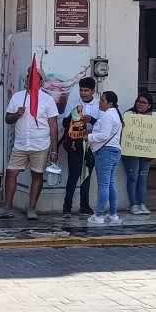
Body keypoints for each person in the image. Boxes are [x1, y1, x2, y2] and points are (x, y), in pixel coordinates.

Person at [0, 65, 59, 220]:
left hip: (41, 144)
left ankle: (31, 208)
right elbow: (8, 119)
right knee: (10, 173)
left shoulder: (48, 99)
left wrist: (54, 150)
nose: (30, 78)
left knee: (37, 175)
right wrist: (17, 114)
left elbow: (53, 126)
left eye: (34, 76)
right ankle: (7, 209)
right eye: (29, 75)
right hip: (21, 144)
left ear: (41, 81)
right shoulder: (18, 97)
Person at [62, 77, 99, 217]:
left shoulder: (97, 105)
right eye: (81, 90)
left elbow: (102, 125)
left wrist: (92, 120)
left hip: (91, 144)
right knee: (73, 176)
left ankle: (84, 205)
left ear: (93, 91)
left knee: (86, 176)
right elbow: (65, 123)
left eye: (86, 90)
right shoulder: (73, 103)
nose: (83, 93)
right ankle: (67, 208)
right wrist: (74, 117)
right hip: (75, 145)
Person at [87, 91, 123, 225]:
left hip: (105, 152)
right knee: (110, 183)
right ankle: (113, 214)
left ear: (110, 103)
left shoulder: (108, 116)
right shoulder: (115, 115)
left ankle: (99, 215)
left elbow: (104, 135)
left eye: (102, 100)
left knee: (103, 184)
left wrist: (89, 137)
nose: (99, 102)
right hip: (114, 151)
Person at [123, 93, 154, 215]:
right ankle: (134, 204)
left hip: (145, 153)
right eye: (139, 101)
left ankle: (142, 203)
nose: (140, 104)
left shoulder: (153, 117)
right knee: (133, 177)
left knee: (143, 178)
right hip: (131, 152)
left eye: (144, 102)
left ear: (149, 105)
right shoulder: (129, 115)